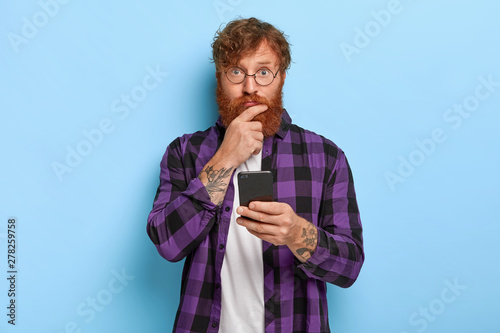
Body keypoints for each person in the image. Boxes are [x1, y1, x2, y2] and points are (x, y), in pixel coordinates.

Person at [147, 17, 364, 333]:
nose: (250, 87)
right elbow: (167, 244)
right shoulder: (185, 152)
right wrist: (224, 159)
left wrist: (296, 233)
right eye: (236, 72)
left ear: (282, 78)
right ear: (220, 79)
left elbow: (350, 266)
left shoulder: (326, 157)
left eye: (263, 72)